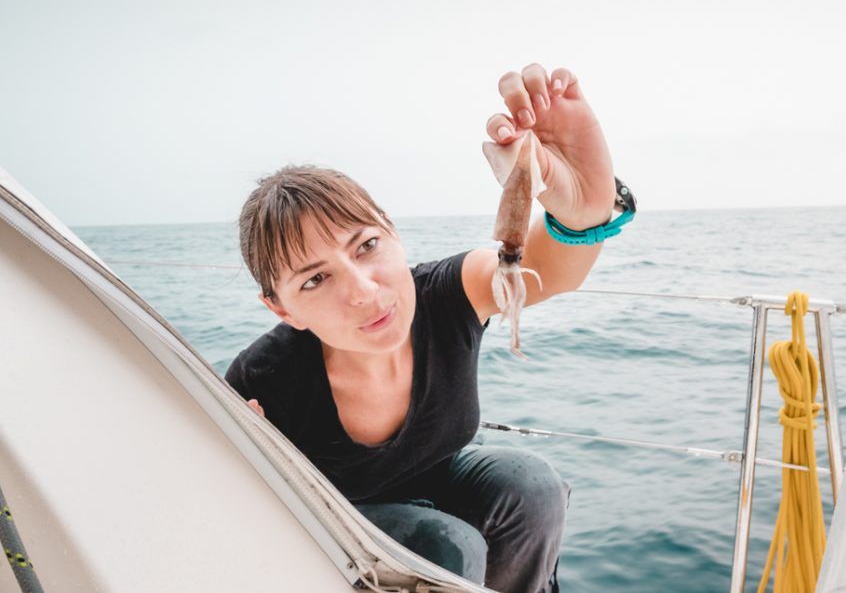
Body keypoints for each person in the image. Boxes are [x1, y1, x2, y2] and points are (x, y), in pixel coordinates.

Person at [225, 64, 618, 592]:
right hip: (336, 526)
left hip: (438, 480)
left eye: (367, 246)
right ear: (283, 310)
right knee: (447, 546)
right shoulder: (263, 379)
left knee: (532, 486)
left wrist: (585, 208)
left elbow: (548, 273)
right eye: (316, 279)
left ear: (394, 233)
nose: (363, 290)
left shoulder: (446, 294)